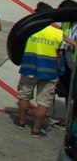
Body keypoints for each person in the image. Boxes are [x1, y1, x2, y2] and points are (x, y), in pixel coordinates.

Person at [18, 9, 66, 138]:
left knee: (24, 96)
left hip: (29, 68)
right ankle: (36, 130)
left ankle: (21, 122)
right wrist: (59, 73)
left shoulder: (28, 30)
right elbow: (59, 56)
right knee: (43, 102)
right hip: (49, 72)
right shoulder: (58, 33)